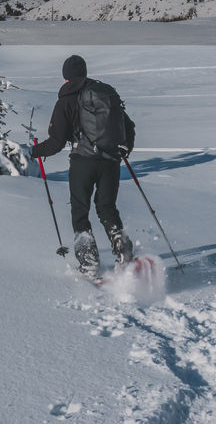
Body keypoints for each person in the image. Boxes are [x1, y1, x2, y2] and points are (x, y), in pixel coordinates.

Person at [28, 54, 135, 276]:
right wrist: (124, 149)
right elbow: (129, 126)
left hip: (83, 162)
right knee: (107, 207)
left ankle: (89, 262)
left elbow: (56, 142)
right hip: (111, 162)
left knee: (80, 210)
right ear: (84, 73)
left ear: (66, 77)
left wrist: (33, 151)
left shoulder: (66, 100)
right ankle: (121, 246)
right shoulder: (104, 94)